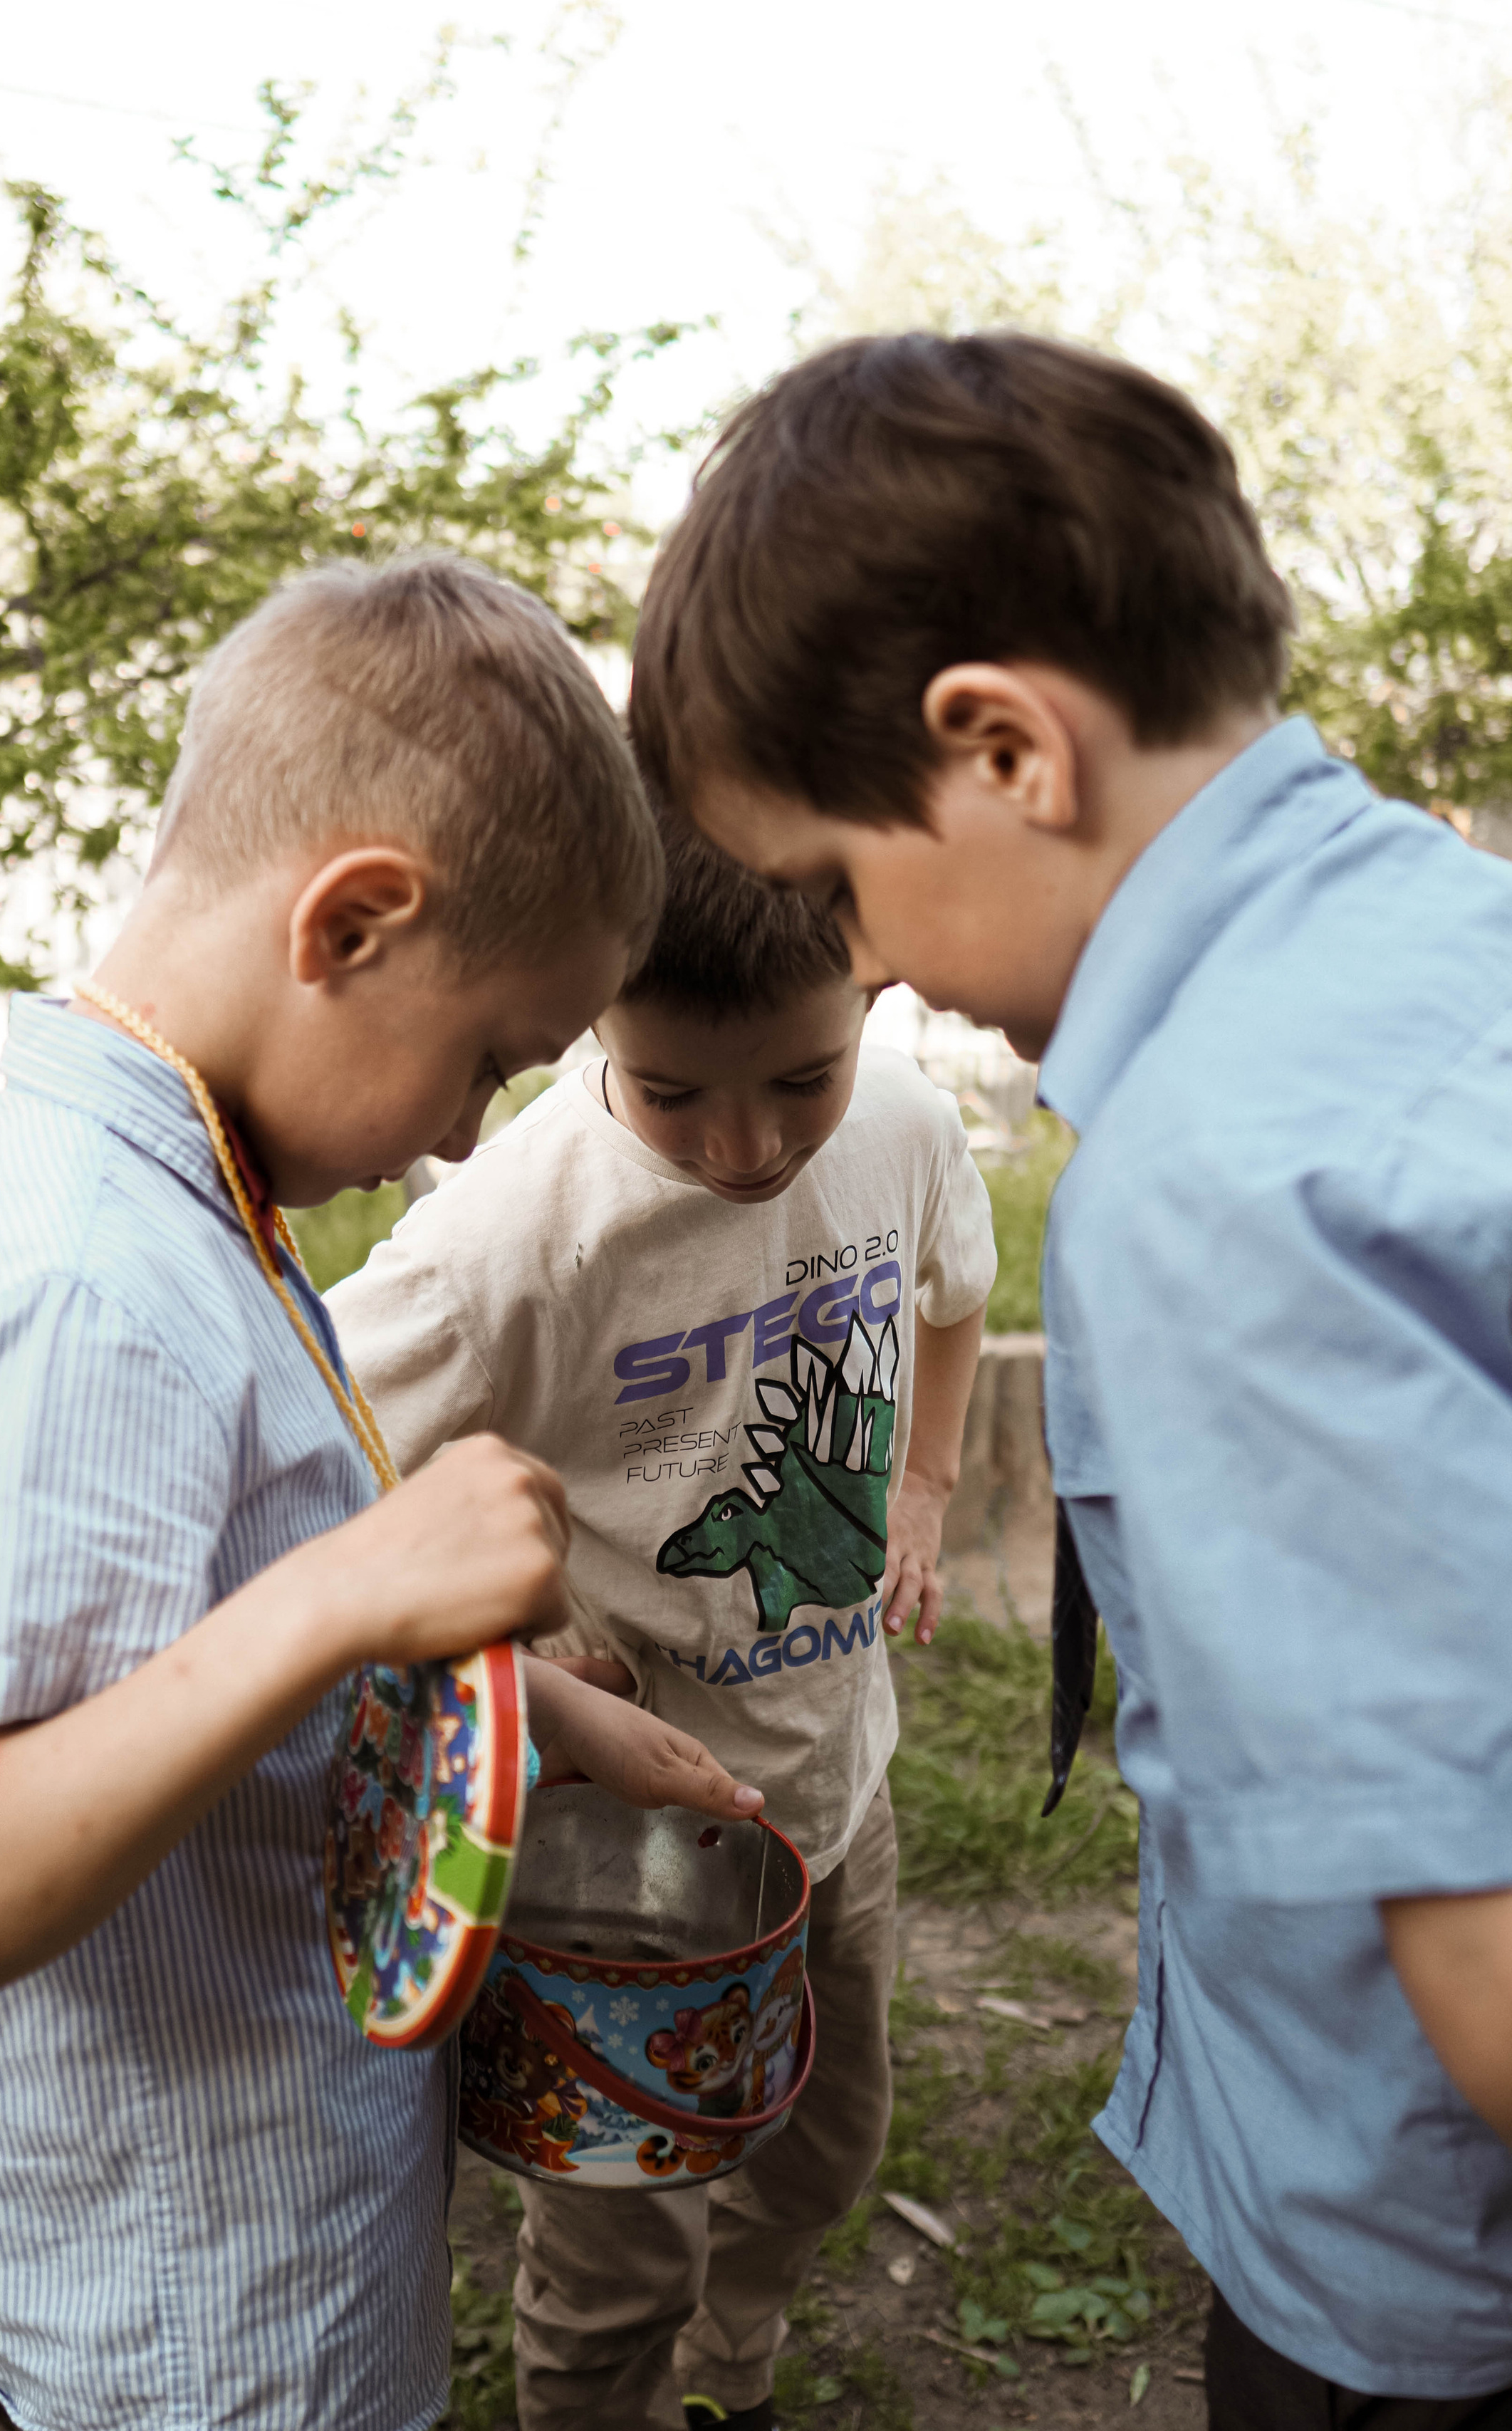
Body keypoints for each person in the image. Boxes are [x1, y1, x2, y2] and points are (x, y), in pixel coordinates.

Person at [629, 330, 1512, 2427]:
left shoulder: (1217, 1184)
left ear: (1006, 746)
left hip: (1422, 2280)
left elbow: (1479, 1924)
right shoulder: (1453, 946)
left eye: (844, 886)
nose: (883, 966)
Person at [0, 556, 758, 2431]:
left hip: (265, 2269)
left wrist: (528, 1709)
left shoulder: (187, 1191)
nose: (468, 1131)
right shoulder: (80, 1283)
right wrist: (341, 1593)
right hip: (178, 2343)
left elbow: (172, 1649)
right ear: (355, 921)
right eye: (488, 1053)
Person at [328, 808, 996, 2431]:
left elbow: (952, 1290)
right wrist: (515, 1637)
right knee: (621, 2244)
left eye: (798, 1079)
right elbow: (307, 1455)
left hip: (834, 1791)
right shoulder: (509, 1236)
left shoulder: (898, 1124)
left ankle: (732, 2377)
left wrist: (922, 1479)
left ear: (871, 994)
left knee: (822, 2140)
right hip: (612, 1872)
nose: (746, 1146)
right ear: (593, 1018)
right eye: (675, 1090)